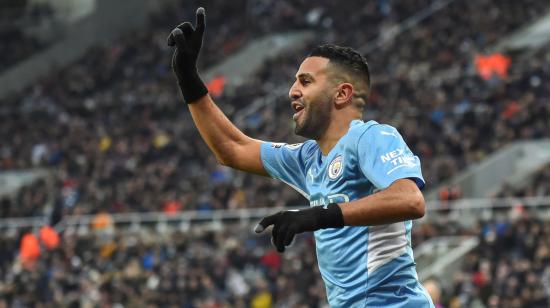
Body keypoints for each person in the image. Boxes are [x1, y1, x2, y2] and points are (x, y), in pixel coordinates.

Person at [167, 7, 434, 307]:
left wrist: (318, 216)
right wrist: (188, 79)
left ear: (342, 94)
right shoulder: (308, 158)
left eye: (305, 81)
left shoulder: (370, 137)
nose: (292, 91)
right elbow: (232, 148)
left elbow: (410, 200)